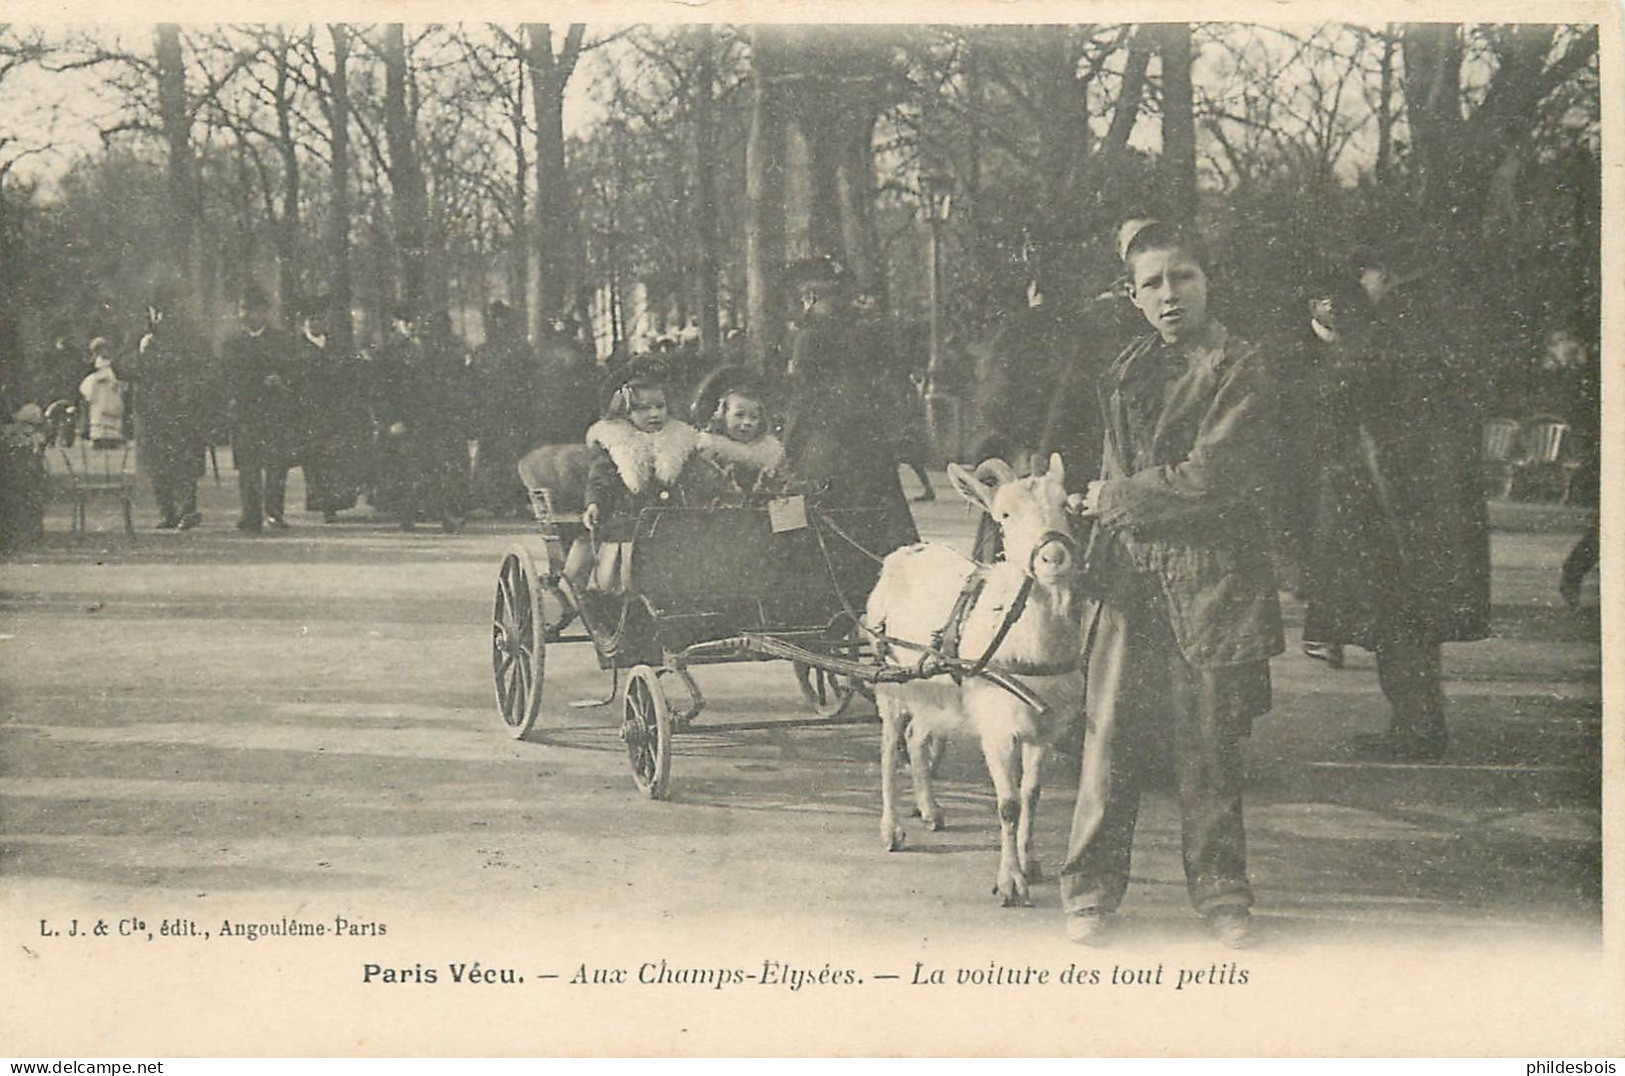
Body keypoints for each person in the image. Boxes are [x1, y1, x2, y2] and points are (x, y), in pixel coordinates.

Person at [1058, 219, 1283, 950]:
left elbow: (1216, 476)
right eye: (1151, 283)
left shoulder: (1239, 366)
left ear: (1207, 281)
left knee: (1207, 746)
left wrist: (1111, 498)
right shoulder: (1126, 368)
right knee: (1108, 739)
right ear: (1131, 296)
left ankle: (1223, 898)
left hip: (1211, 581)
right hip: (1128, 577)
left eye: (1181, 277)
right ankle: (1088, 893)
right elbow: (1112, 463)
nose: (1168, 294)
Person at [1298, 250, 1491, 761]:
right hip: (1414, 502)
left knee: (1401, 621)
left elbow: (1346, 396)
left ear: (1380, 275)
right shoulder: (1415, 325)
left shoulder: (1386, 332)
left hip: (1394, 507)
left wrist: (1332, 346)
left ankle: (1417, 731)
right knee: (1407, 624)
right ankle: (1416, 725)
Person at [780, 255, 918, 555]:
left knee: (818, 527)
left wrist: (787, 448)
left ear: (809, 297)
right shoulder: (868, 331)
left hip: (826, 448)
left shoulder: (808, 337)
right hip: (870, 445)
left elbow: (803, 399)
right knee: (881, 529)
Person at [562, 359, 706, 596]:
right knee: (621, 546)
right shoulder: (618, 444)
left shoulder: (680, 441)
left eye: (660, 406)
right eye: (642, 409)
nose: (654, 414)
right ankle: (617, 592)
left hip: (672, 521)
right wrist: (594, 503)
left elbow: (695, 478)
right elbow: (600, 478)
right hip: (627, 520)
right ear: (624, 412)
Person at [129, 287, 211, 529]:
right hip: (151, 412)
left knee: (184, 464)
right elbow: (120, 367)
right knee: (158, 465)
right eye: (156, 311)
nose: (161, 316)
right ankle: (167, 512)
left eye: (167, 310)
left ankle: (188, 510)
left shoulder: (191, 338)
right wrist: (141, 351)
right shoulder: (139, 337)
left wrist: (193, 393)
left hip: (182, 410)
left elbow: (206, 367)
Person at [224, 286, 300, 532]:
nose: (248, 315)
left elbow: (295, 373)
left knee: (276, 464)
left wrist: (281, 381)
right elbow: (227, 376)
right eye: (243, 309)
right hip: (245, 412)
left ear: (264, 312)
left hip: (275, 411)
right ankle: (250, 514)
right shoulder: (232, 344)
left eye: (254, 309)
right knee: (248, 465)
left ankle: (275, 513)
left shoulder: (282, 341)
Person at [295, 298, 367, 523]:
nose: (317, 323)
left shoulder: (336, 346)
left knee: (335, 458)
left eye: (320, 319)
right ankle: (323, 503)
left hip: (336, 409)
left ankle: (334, 502)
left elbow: (350, 375)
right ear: (303, 324)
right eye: (311, 319)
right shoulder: (297, 348)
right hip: (310, 411)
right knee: (316, 460)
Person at [693, 370, 788, 500]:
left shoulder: (770, 455)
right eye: (739, 415)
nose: (747, 422)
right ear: (723, 416)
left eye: (753, 417)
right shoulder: (709, 452)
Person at [78, 337, 126, 448]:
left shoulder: (113, 362)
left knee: (112, 410)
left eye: (104, 348)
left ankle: (112, 438)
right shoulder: (93, 363)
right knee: (98, 412)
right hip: (98, 390)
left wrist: (115, 380)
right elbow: (88, 374)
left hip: (110, 389)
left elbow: (118, 373)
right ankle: (98, 438)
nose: (103, 351)